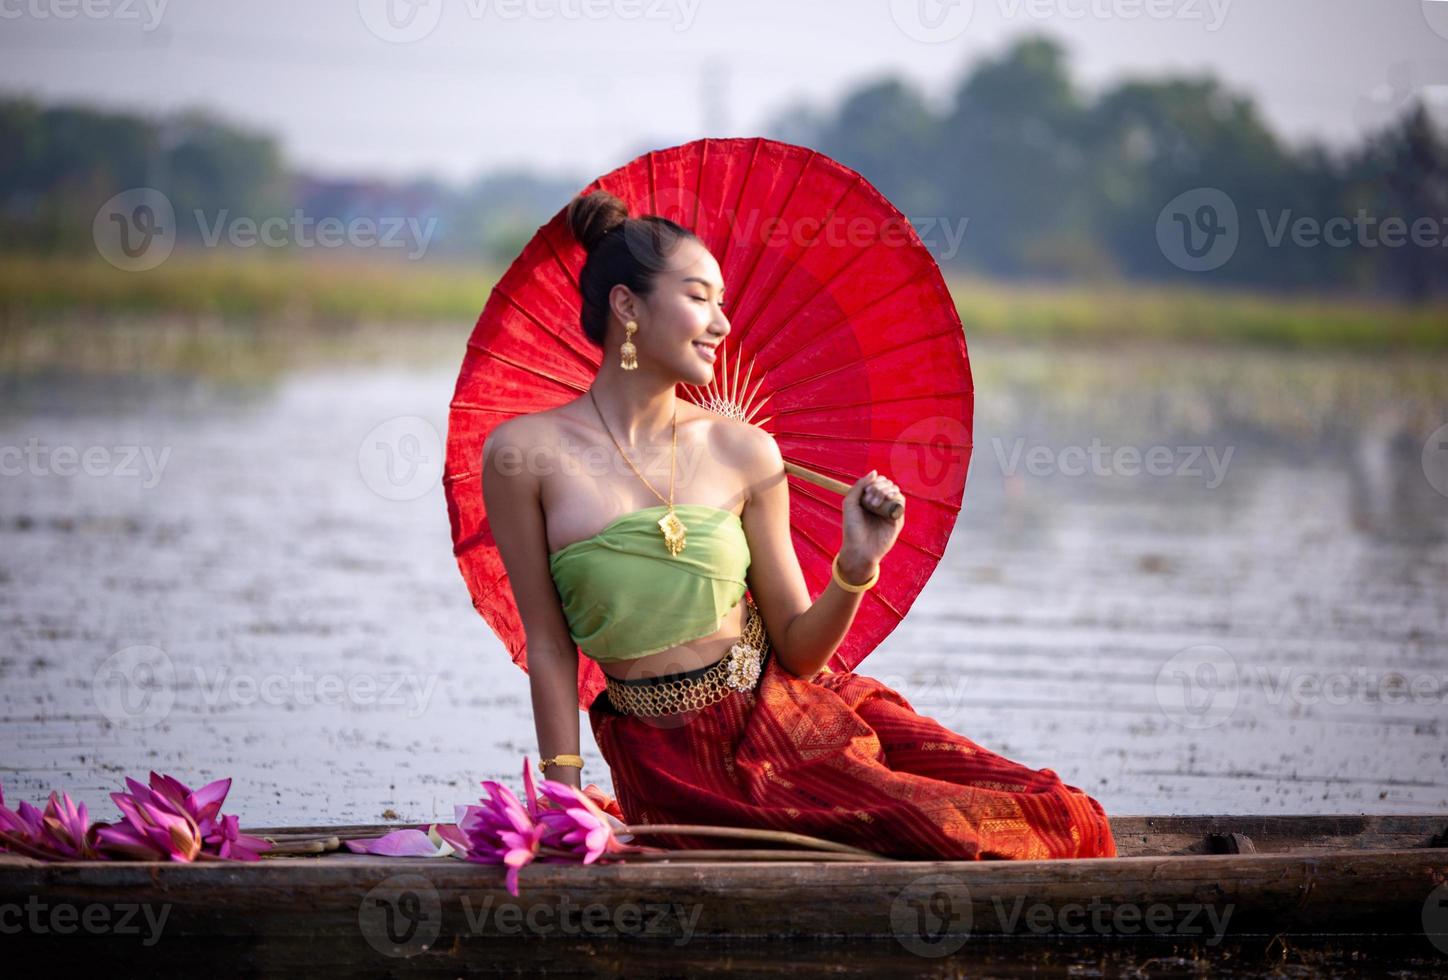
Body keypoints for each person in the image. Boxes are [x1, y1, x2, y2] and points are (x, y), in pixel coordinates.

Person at [480, 189, 1117, 860]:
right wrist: (563, 800)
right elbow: (550, 648)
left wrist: (857, 566)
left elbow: (800, 650)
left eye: (722, 302)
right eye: (700, 297)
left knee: (1060, 818)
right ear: (627, 305)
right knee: (938, 834)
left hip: (790, 726)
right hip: (668, 771)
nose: (722, 324)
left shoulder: (745, 450)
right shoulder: (525, 455)